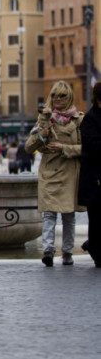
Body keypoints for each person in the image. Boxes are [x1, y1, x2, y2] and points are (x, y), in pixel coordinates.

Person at [25, 81, 83, 267]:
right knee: (49, 215)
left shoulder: (79, 120)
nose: (58, 99)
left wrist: (64, 148)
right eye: (55, 95)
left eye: (62, 96)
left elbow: (87, 148)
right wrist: (42, 134)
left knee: (68, 215)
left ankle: (67, 253)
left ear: (69, 97)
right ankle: (48, 251)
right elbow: (29, 147)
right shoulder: (45, 118)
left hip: (69, 172)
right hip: (49, 172)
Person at [78, 82, 101, 267]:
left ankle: (92, 244)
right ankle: (96, 250)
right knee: (97, 216)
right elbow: (92, 146)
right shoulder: (90, 119)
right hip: (95, 177)